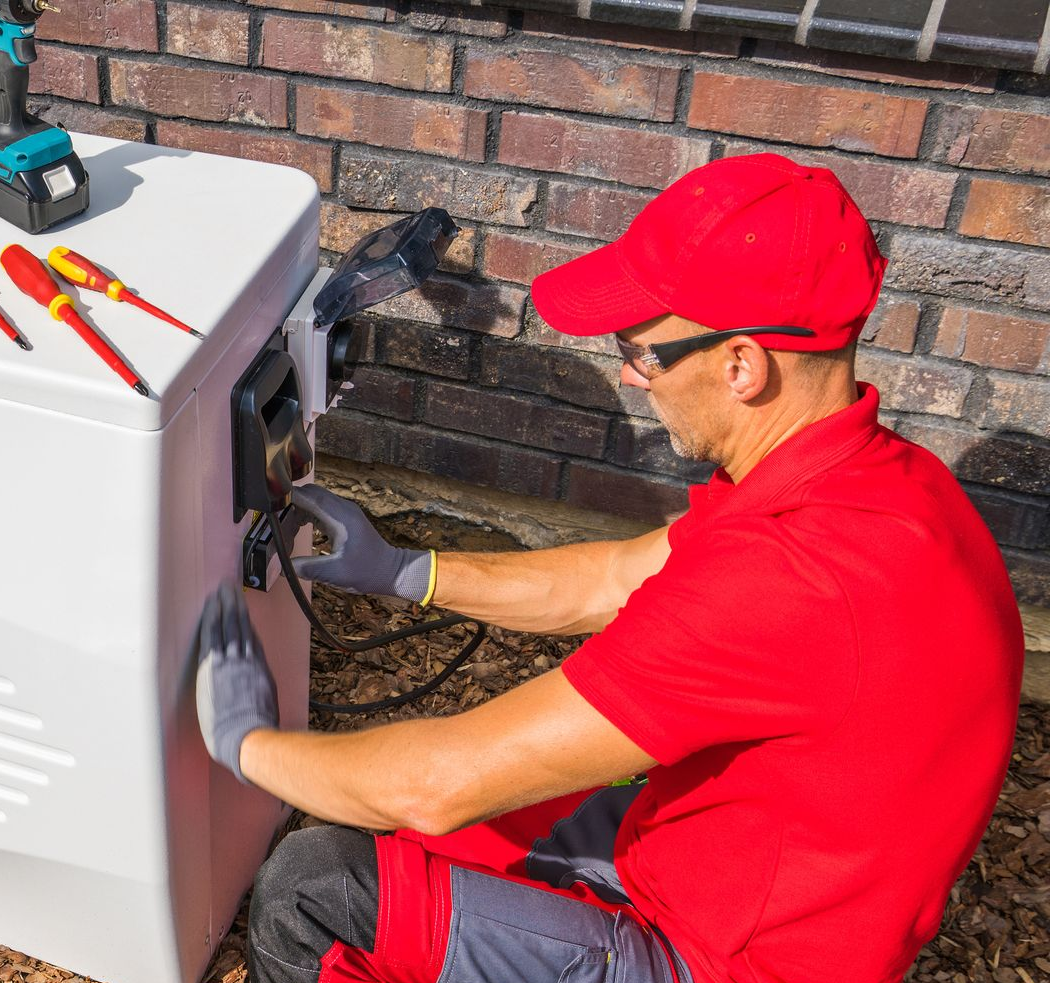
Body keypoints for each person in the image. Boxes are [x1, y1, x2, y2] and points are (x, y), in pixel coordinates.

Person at [193, 153, 1025, 983]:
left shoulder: (786, 579)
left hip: (717, 960)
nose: (629, 374)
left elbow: (435, 784)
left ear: (741, 365)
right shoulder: (881, 485)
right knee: (466, 833)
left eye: (643, 351)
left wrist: (247, 746)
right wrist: (411, 570)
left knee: (314, 888)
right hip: (748, 871)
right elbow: (615, 578)